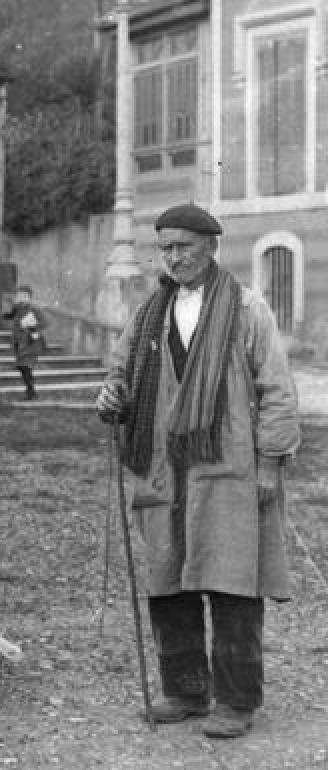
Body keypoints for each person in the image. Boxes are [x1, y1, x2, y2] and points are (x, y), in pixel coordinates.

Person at [96, 203, 300, 739]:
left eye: (184, 246)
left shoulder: (247, 309)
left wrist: (271, 464)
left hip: (228, 468)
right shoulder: (149, 315)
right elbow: (120, 374)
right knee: (169, 583)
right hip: (163, 471)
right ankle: (185, 691)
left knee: (233, 586)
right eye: (165, 247)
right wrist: (112, 396)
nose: (173, 256)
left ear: (211, 247)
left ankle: (236, 702)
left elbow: (277, 393)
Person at [2, 285, 47, 400]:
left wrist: (31, 326)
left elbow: (44, 323)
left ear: (29, 297)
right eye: (19, 296)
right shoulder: (16, 308)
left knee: (25, 366)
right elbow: (6, 316)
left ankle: (31, 392)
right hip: (19, 343)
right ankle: (30, 390)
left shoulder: (34, 309)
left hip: (30, 343)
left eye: (24, 296)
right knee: (22, 367)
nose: (21, 298)